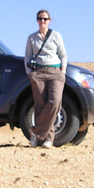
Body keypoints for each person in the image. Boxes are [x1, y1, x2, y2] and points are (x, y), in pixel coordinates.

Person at [24, 9, 67, 148]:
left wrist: (63, 72)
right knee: (40, 105)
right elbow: (27, 57)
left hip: (55, 71)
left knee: (55, 102)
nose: (42, 21)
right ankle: (47, 139)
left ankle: (35, 131)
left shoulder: (56, 35)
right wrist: (30, 73)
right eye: (40, 18)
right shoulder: (32, 37)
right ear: (37, 20)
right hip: (38, 73)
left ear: (49, 20)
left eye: (45, 19)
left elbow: (63, 55)